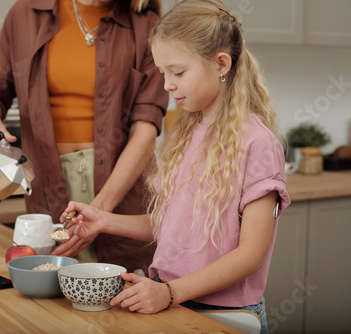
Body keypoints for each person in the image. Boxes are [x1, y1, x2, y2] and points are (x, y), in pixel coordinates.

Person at [60, 1, 290, 332]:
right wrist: (103, 221)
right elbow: (173, 224)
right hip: (174, 305)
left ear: (221, 64)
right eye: (163, 73)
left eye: (178, 72)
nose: (167, 85)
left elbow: (251, 254)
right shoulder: (184, 133)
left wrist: (169, 293)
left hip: (225, 316)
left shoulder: (258, 143)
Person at [0, 0, 168, 273]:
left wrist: (100, 212)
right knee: (53, 302)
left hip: (122, 193)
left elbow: (146, 130)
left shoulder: (146, 27)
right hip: (49, 187)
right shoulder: (24, 15)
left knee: (125, 298)